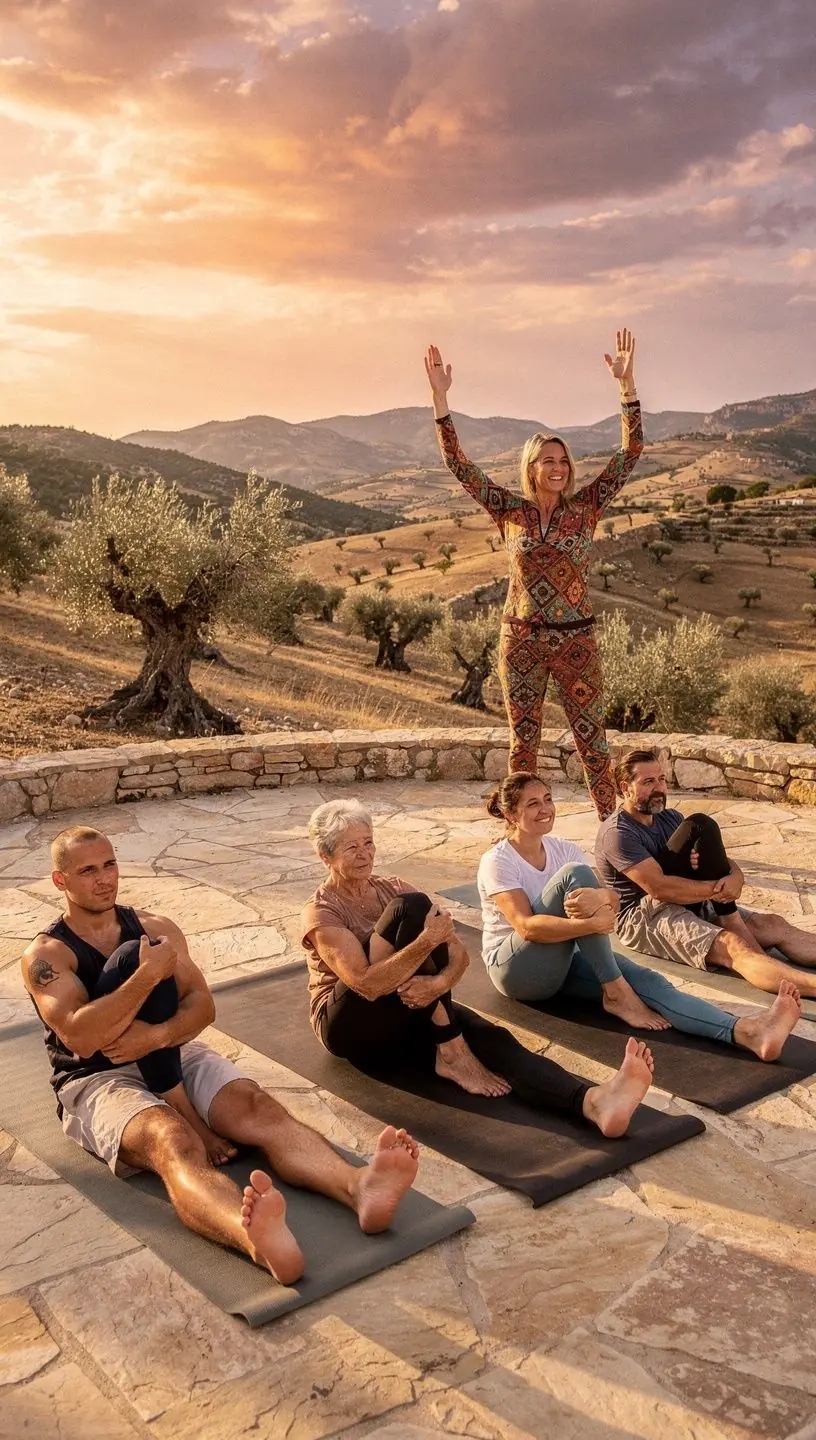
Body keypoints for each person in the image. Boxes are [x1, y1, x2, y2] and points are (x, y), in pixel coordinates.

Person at [21, 825, 423, 1286]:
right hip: (95, 1078)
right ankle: (254, 1237)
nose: (104, 879)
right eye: (87, 871)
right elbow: (80, 1037)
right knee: (172, 1141)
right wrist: (146, 979)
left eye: (109, 864)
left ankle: (359, 1187)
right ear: (60, 882)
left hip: (173, 1047)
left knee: (258, 1108)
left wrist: (158, 1037)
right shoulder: (47, 955)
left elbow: (202, 1007)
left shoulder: (155, 928)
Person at [301, 797, 662, 1140]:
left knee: (494, 1040)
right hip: (350, 1024)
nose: (365, 854)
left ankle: (594, 1103)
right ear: (325, 856)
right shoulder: (322, 910)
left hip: (409, 1001)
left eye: (368, 842)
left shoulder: (391, 886)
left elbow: (458, 954)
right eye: (351, 848)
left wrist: (438, 983)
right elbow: (365, 984)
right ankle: (451, 1049)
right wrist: (425, 944)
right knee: (410, 908)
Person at [424, 330, 643, 819]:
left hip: (576, 641)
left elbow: (631, 453)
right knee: (522, 744)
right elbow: (459, 466)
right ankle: (516, 834)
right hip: (519, 640)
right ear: (531, 467)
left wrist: (626, 390)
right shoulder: (509, 511)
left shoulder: (586, 507)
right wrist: (441, 400)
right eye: (549, 460)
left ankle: (612, 832)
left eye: (564, 460)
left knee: (593, 741)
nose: (559, 467)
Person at [476, 771, 802, 1059]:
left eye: (547, 798)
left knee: (651, 983)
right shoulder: (499, 860)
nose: (545, 808)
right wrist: (590, 923)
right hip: (515, 969)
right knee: (576, 876)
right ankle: (615, 991)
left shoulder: (563, 848)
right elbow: (526, 927)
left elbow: (613, 901)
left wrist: (603, 899)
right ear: (510, 813)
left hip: (562, 961)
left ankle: (747, 1033)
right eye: (532, 804)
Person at [595, 748, 816, 998]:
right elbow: (659, 888)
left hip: (688, 895)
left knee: (774, 924)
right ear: (626, 787)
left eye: (661, 779)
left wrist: (735, 876)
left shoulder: (670, 818)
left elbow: (715, 855)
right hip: (645, 915)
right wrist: (720, 891)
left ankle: (730, 918)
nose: (659, 788)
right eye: (648, 782)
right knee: (734, 946)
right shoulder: (617, 833)